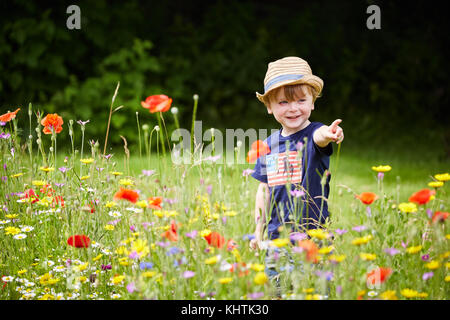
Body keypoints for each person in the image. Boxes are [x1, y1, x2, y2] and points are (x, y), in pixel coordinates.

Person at [249, 57, 344, 292]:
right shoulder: (268, 145)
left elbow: (320, 136)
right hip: (276, 238)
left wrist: (329, 133)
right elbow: (264, 190)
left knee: (316, 291)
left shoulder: (314, 134)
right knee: (278, 292)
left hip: (314, 235)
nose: (293, 108)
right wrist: (258, 230)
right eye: (283, 102)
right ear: (269, 107)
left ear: (312, 102)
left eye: (301, 100)